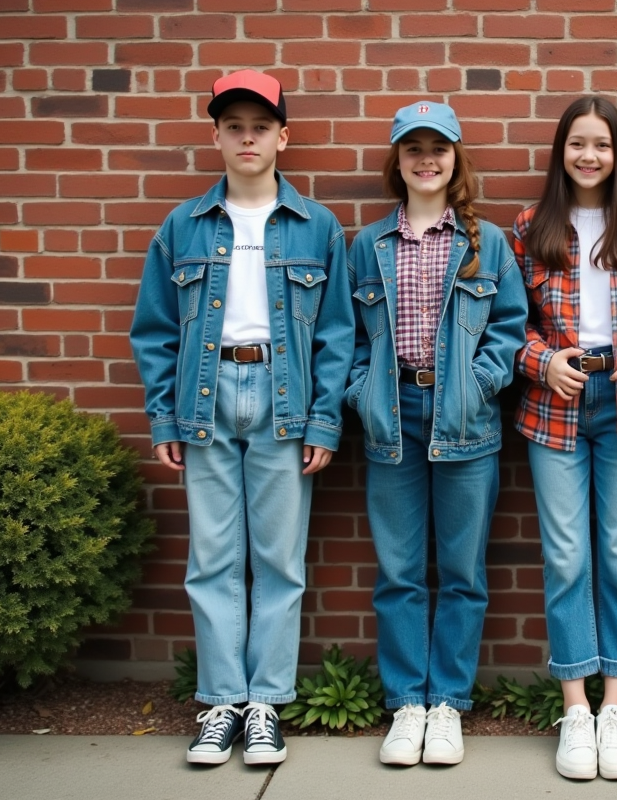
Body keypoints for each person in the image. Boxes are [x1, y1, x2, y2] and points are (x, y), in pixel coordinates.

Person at [130, 69, 353, 766]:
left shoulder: (317, 226)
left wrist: (323, 421)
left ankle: (265, 705)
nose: (247, 138)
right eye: (234, 126)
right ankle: (221, 701)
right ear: (217, 137)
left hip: (284, 399)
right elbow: (156, 329)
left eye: (261, 126)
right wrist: (164, 417)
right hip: (206, 396)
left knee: (279, 561)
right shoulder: (184, 225)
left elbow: (337, 335)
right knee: (214, 560)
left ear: (283, 136)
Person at [346, 101, 528, 767]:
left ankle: (447, 703)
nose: (427, 158)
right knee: (397, 572)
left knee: (460, 572)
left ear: (456, 159)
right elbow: (347, 336)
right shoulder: (367, 245)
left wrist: (477, 384)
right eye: (413, 148)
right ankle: (406, 705)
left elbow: (509, 329)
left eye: (439, 147)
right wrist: (362, 394)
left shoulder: (485, 244)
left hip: (465, 424)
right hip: (391, 421)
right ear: (397, 161)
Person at [512, 96, 617, 781]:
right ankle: (575, 708)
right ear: (560, 151)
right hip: (556, 405)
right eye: (577, 143)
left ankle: (615, 709)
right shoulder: (527, 228)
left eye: (602, 145)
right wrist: (540, 361)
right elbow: (502, 323)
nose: (588, 156)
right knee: (568, 554)